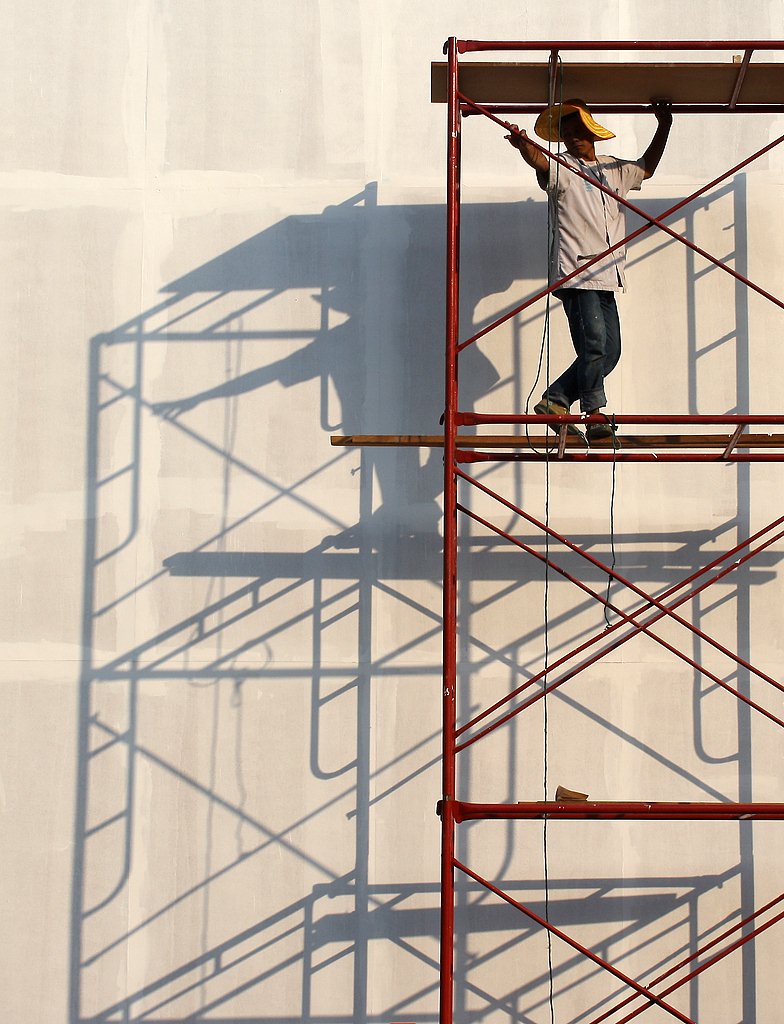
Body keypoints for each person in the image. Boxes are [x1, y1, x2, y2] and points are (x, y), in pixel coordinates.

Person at [506, 98, 672, 443]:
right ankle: (595, 412)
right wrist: (524, 146)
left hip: (609, 273)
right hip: (576, 271)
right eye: (566, 134)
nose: (572, 139)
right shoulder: (562, 166)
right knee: (595, 343)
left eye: (577, 132)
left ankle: (556, 398)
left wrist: (664, 125)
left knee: (610, 351)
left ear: (591, 133)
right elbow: (540, 162)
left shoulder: (613, 169)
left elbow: (647, 168)